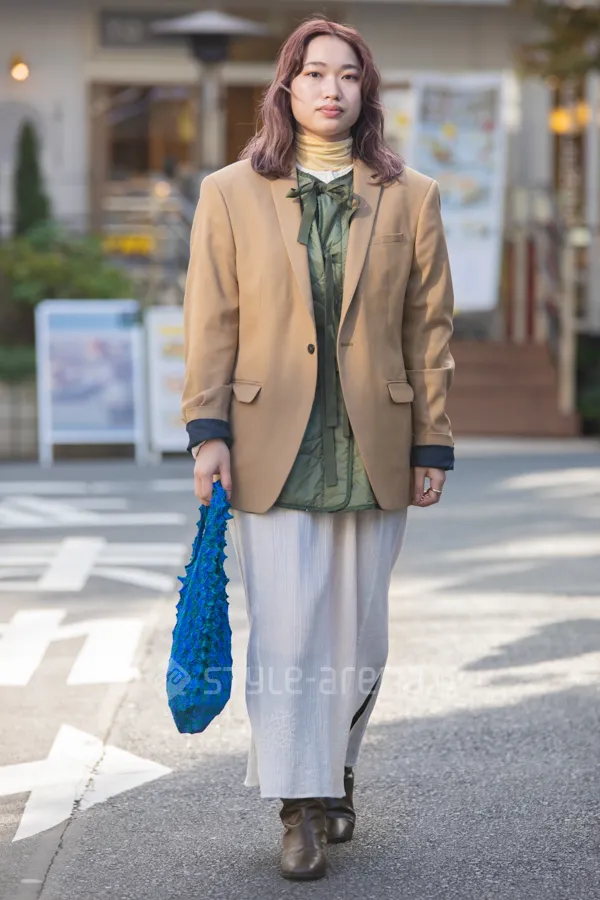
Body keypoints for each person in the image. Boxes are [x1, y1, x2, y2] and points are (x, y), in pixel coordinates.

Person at [182, 16, 454, 882]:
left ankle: (336, 768)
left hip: (376, 442)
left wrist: (433, 440)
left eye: (347, 74)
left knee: (359, 637)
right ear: (286, 88)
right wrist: (207, 432)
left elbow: (429, 331)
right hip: (272, 441)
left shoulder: (412, 196)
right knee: (289, 631)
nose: (330, 89)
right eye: (313, 73)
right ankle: (297, 804)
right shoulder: (230, 192)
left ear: (365, 90)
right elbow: (211, 321)